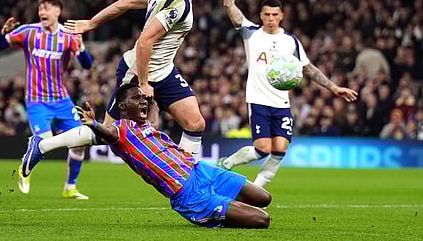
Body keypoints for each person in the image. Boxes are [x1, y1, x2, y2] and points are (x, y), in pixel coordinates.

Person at [22, 83, 272, 229]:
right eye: (135, 99)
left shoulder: (147, 125)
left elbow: (152, 104)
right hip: (188, 195)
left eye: (142, 99)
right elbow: (106, 133)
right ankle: (214, 212)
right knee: (263, 221)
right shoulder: (120, 131)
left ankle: (223, 207)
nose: (141, 102)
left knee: (264, 197)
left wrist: (150, 87)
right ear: (122, 107)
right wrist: (93, 123)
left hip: (201, 170)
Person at [217, 0, 358, 187]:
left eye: (275, 14)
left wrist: (334, 87)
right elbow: (229, 5)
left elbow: (309, 69)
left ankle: (256, 190)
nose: (270, 18)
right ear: (260, 16)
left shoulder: (290, 41)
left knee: (280, 149)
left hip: (282, 103)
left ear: (281, 16)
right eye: (266, 15)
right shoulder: (251, 33)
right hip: (259, 100)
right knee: (263, 149)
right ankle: (228, 163)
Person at [63, 0, 216, 160]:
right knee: (107, 132)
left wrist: (92, 22)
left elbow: (125, 3)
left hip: (163, 71)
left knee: (195, 123)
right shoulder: (179, 4)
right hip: (138, 71)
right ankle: (44, 144)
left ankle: (185, 180)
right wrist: (143, 83)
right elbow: (145, 41)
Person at [0, 0, 93, 199]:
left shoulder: (68, 35)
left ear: (57, 12)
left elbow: (87, 64)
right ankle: (24, 170)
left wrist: (81, 47)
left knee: (81, 140)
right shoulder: (29, 32)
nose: (42, 12)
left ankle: (70, 187)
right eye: (40, 9)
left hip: (62, 99)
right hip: (37, 100)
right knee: (44, 143)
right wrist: (2, 34)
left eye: (47, 8)